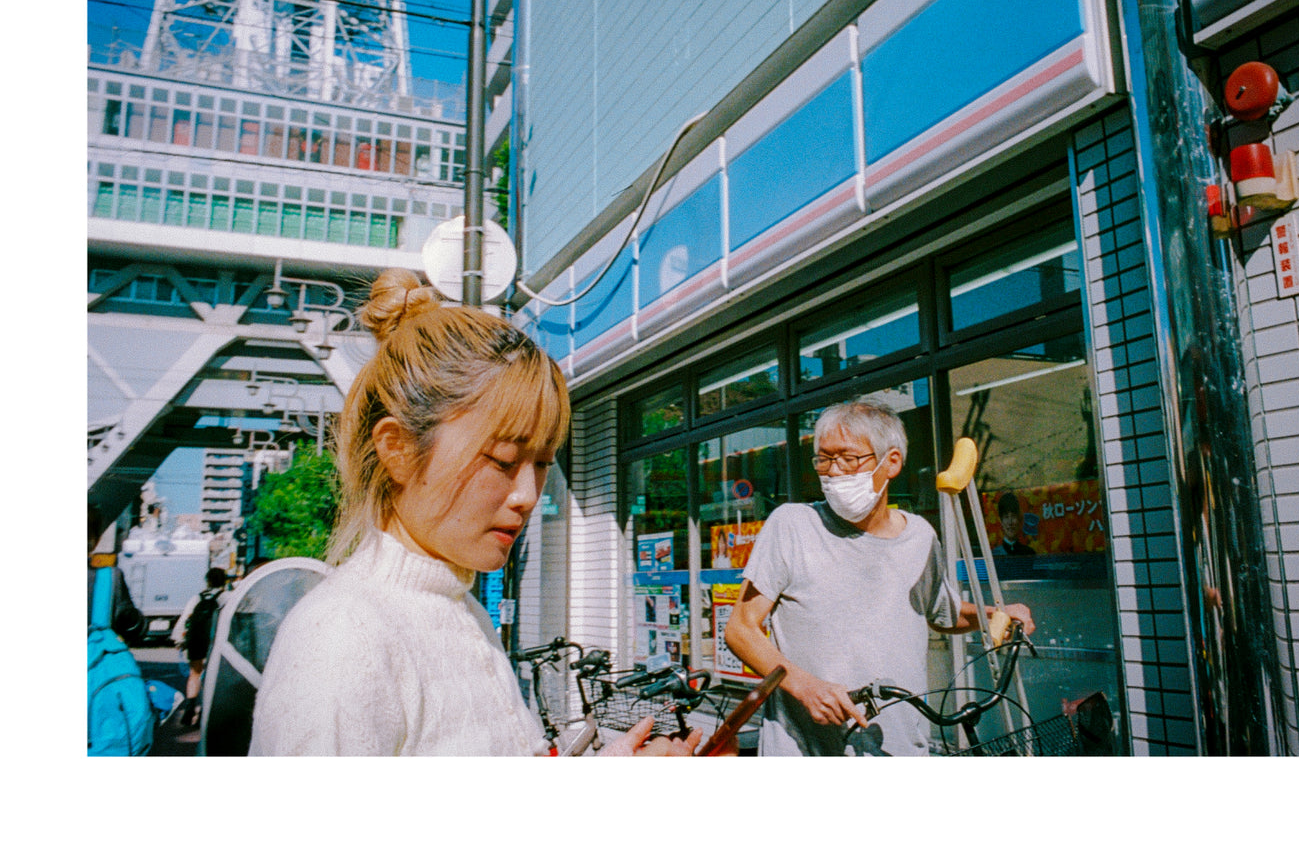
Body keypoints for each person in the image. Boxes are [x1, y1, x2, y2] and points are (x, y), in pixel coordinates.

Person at [250, 269, 700, 757]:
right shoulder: (341, 637)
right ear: (397, 449)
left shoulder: (460, 609)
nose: (527, 494)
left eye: (544, 464)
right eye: (503, 460)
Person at [723, 399, 1035, 755]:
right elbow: (741, 629)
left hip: (899, 746)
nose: (834, 472)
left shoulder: (919, 536)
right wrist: (805, 687)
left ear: (892, 462)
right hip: (806, 749)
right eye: (824, 459)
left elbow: (943, 612)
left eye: (849, 458)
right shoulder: (793, 525)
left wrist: (993, 614)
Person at [173, 566, 229, 727]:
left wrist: (179, 640)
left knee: (194, 674)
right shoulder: (227, 597)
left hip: (197, 641)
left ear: (208, 581)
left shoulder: (197, 598)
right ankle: (205, 712)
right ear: (224, 581)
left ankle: (189, 709)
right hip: (216, 642)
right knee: (212, 677)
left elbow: (185, 620)